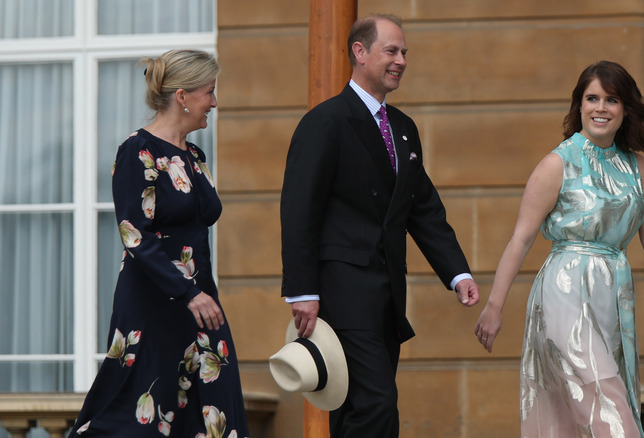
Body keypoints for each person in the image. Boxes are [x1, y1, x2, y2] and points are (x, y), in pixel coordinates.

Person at [280, 14, 480, 438]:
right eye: (392, 51)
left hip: (386, 297)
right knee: (376, 404)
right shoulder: (325, 121)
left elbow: (422, 208)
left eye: (404, 52)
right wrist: (302, 291)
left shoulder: (403, 129)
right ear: (360, 52)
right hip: (341, 293)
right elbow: (299, 210)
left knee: (358, 407)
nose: (402, 60)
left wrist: (456, 272)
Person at [474, 60, 644, 437]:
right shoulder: (557, 163)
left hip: (612, 295)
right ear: (580, 105)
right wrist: (494, 307)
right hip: (564, 293)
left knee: (580, 415)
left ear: (626, 110)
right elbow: (520, 238)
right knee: (610, 408)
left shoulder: (637, 166)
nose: (601, 107)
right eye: (592, 98)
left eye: (612, 100)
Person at [69, 49, 249, 437]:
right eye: (209, 92)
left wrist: (197, 294)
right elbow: (134, 235)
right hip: (154, 303)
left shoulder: (195, 156)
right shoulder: (138, 151)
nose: (214, 102)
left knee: (213, 407)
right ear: (182, 96)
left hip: (200, 303)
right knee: (138, 413)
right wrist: (187, 292)